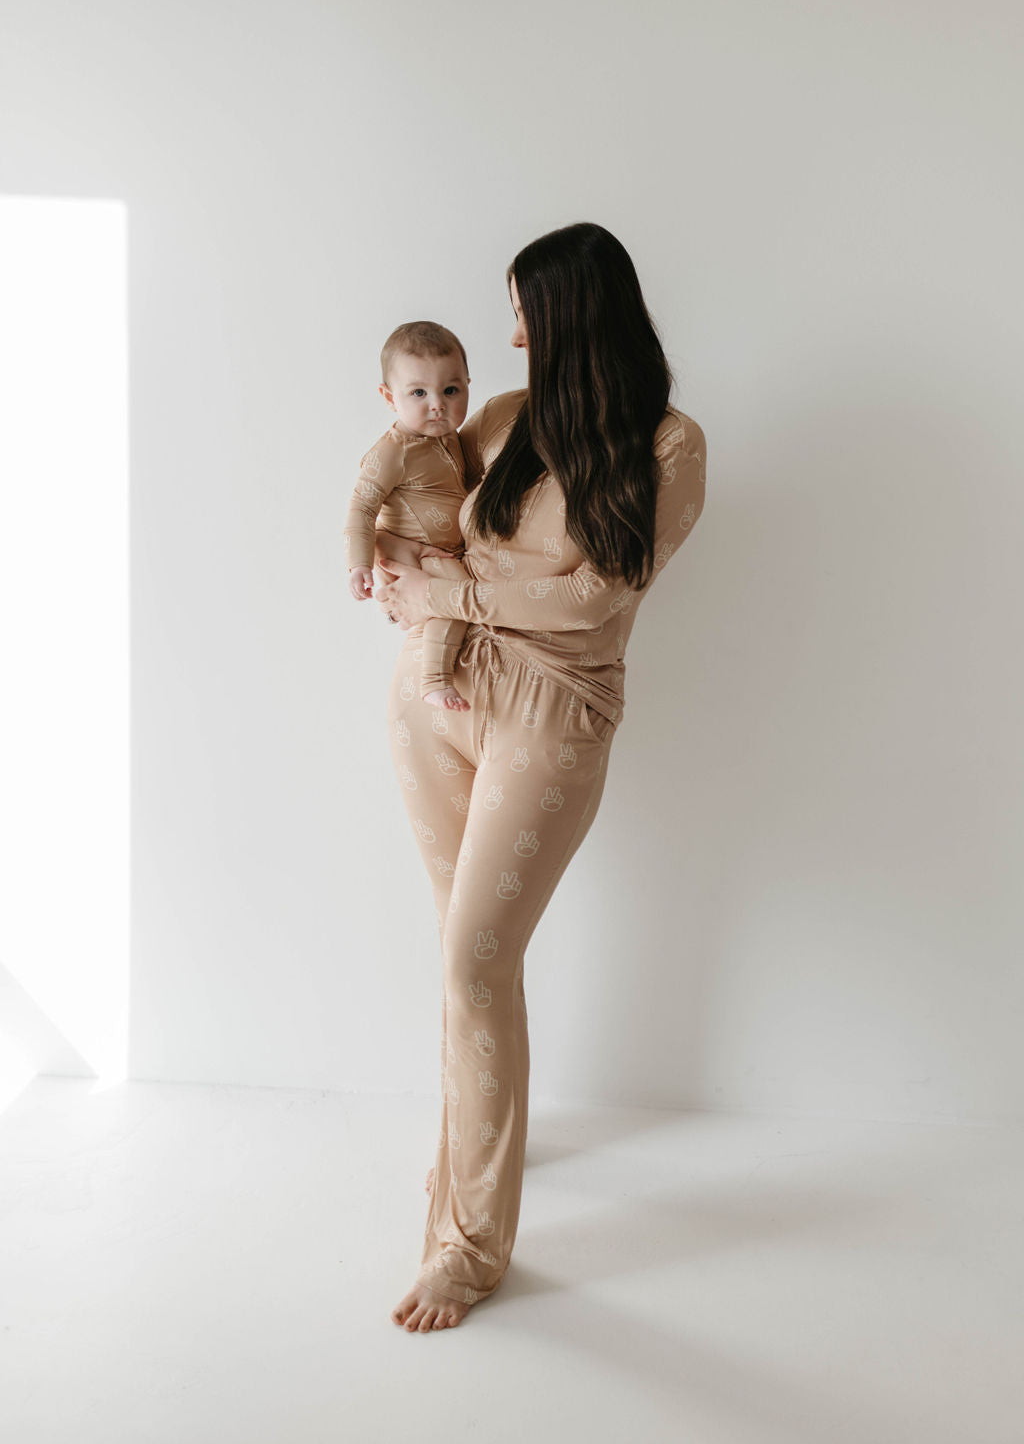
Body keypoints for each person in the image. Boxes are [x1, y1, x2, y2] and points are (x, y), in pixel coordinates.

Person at [374, 223, 707, 1333]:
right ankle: (470, 1155)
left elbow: (594, 600)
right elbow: (426, 497)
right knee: (465, 952)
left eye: (522, 307)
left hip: (554, 714)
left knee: (476, 957)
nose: (508, 330)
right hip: (438, 701)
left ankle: (470, 1244)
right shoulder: (503, 422)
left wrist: (451, 596)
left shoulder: (668, 445)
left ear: (568, 312)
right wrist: (387, 554)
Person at [345, 320, 473, 711]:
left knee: (457, 589)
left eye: (451, 390)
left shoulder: (448, 438)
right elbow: (362, 508)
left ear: (468, 383)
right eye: (418, 392)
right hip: (403, 551)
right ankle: (433, 679)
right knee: (454, 592)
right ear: (389, 397)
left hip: (434, 551)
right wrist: (358, 564)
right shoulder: (392, 451)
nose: (437, 403)